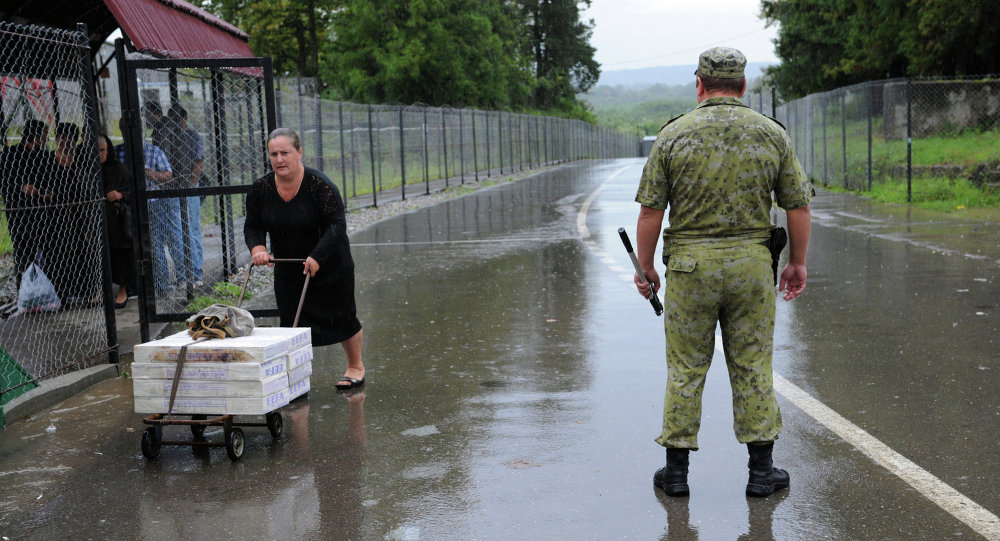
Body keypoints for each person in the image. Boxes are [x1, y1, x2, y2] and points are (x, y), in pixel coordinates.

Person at [632, 47, 813, 498]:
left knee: (685, 368)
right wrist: (796, 262)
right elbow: (798, 204)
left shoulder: (672, 135)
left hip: (690, 270)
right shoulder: (771, 134)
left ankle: (675, 475)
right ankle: (760, 473)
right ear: (744, 85)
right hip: (751, 267)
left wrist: (647, 266)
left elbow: (652, 210)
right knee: (752, 363)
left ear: (700, 84)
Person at [244, 128, 366, 390]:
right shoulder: (261, 189)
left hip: (329, 261)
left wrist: (317, 256)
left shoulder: (320, 186)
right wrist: (257, 249)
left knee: (342, 316)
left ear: (299, 153)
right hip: (289, 267)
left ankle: (355, 366)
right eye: (274, 154)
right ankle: (295, 378)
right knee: (291, 323)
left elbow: (336, 225)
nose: (279, 160)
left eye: (285, 153)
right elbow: (253, 225)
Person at [116, 119, 181, 294]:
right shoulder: (118, 152)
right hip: (126, 206)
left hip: (151, 204)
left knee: (154, 244)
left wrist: (152, 174)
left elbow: (168, 175)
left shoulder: (153, 151)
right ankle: (133, 286)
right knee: (128, 245)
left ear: (141, 130)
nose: (128, 133)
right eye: (124, 129)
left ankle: (160, 286)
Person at [2, 119, 54, 277]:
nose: (46, 140)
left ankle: (50, 289)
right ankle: (27, 292)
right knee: (24, 255)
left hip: (42, 212)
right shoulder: (9, 156)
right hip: (20, 213)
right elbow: (4, 183)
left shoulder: (45, 156)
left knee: (48, 251)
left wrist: (44, 192)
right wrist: (20, 187)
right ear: (35, 136)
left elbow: (50, 180)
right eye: (44, 136)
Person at [163, 105, 204, 286]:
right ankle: (185, 273)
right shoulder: (169, 135)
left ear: (183, 120)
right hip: (173, 187)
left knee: (191, 228)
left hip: (188, 187)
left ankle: (196, 271)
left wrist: (190, 186)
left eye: (176, 120)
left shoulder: (193, 136)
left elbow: (198, 162)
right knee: (178, 230)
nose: (173, 123)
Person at [99, 133, 135, 308]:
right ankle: (100, 290)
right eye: (95, 151)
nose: (99, 154)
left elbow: (132, 190)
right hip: (96, 219)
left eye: (102, 150)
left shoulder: (118, 168)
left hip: (116, 220)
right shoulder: (88, 169)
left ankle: (123, 290)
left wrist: (119, 195)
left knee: (121, 254)